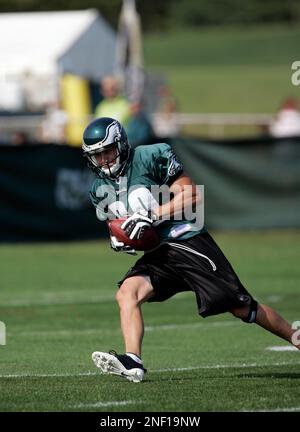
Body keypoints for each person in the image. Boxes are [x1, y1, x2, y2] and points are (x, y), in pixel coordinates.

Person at [82, 117, 300, 383]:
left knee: (241, 307)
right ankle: (133, 361)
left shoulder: (150, 156)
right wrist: (120, 240)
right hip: (159, 253)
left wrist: (152, 215)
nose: (103, 160)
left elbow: (192, 195)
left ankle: (294, 337)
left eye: (107, 151)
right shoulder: (99, 189)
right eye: (96, 155)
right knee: (127, 293)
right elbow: (116, 225)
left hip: (187, 241)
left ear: (122, 144)